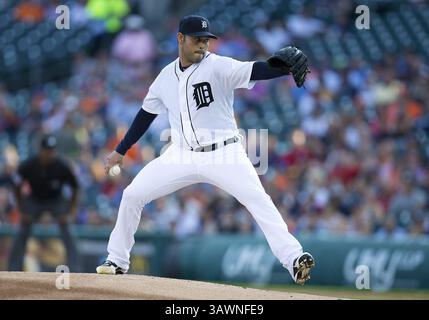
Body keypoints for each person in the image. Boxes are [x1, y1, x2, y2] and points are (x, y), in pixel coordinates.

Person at [97, 15, 315, 285]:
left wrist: (282, 69)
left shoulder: (218, 66)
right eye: (197, 40)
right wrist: (120, 150)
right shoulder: (165, 77)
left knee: (258, 200)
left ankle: (294, 259)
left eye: (206, 40)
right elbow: (145, 115)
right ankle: (116, 260)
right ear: (180, 39)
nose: (203, 45)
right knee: (132, 194)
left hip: (224, 153)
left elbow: (256, 70)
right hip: (181, 154)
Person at [8, 134, 80, 271]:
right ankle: (14, 268)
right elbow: (15, 184)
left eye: (52, 150)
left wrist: (71, 211)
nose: (50, 154)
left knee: (68, 229)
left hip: (56, 200)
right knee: (23, 228)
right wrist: (21, 208)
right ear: (40, 150)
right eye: (47, 150)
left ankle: (76, 268)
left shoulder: (61, 165)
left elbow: (76, 187)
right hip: (35, 200)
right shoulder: (29, 164)